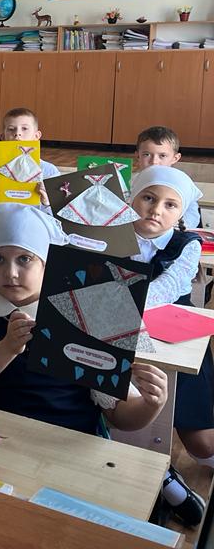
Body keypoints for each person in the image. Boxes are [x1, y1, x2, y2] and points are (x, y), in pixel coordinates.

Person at [0, 204, 167, 436]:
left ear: (45, 262)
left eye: (24, 259)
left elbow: (120, 415)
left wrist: (151, 405)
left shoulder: (87, 311)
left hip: (64, 440)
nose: (10, 273)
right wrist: (7, 348)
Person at [129, 165, 211, 525]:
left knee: (202, 446)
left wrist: (114, 293)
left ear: (181, 213)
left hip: (175, 340)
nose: (156, 210)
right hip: (122, 338)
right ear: (132, 199)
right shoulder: (110, 234)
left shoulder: (187, 244)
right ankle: (160, 479)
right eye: (148, 198)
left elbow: (165, 290)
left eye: (169, 205)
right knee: (126, 420)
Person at [0, 107, 59, 211]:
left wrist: (46, 202)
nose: (17, 133)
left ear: (36, 136)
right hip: (0, 217)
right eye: (11, 129)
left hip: (34, 219)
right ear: (2, 137)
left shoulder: (49, 171)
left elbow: (55, 214)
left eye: (24, 128)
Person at [135, 126, 201, 229]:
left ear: (175, 158)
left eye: (162, 156)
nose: (154, 161)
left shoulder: (182, 183)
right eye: (146, 154)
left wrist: (177, 227)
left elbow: (192, 215)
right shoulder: (132, 182)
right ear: (138, 156)